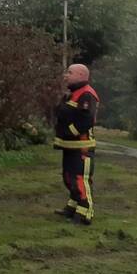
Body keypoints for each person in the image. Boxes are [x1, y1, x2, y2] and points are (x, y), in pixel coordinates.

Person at [53, 63, 100, 225]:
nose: (66, 75)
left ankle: (85, 213)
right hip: (70, 146)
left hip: (82, 147)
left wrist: (69, 131)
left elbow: (86, 120)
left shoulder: (87, 94)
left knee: (80, 179)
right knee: (69, 178)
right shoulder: (72, 93)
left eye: (69, 72)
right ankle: (72, 208)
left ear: (81, 75)